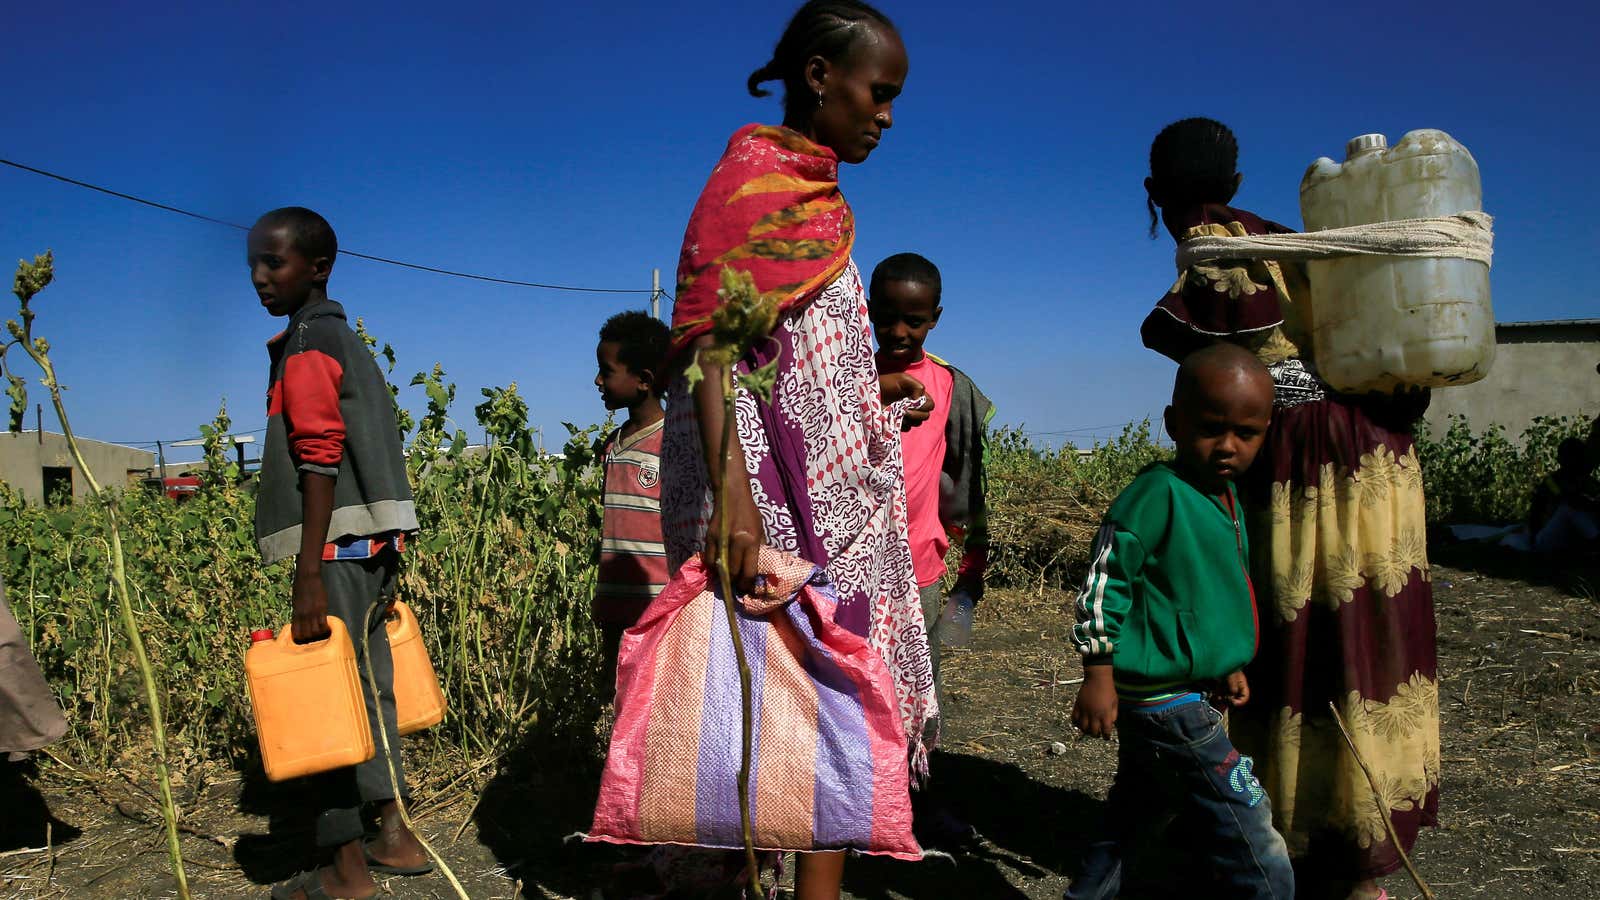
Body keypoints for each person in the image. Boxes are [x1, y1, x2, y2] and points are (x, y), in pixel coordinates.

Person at [658, 2, 930, 896]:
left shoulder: (818, 194)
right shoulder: (751, 185)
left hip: (838, 506)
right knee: (772, 710)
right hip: (766, 505)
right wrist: (734, 506)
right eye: (877, 93)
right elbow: (711, 351)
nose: (886, 115)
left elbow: (800, 352)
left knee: (835, 709)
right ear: (819, 76)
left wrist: (869, 394)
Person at [1140, 118, 1438, 900]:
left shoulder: (1213, 242)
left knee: (1303, 639)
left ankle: (1320, 852)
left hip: (1312, 464)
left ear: (1153, 194)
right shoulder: (1291, 242)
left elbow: (1210, 367)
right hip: (1379, 454)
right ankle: (1366, 848)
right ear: (1238, 182)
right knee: (1373, 638)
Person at [249, 207, 430, 900]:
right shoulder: (342, 339)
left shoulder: (308, 345)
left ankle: (344, 868)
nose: (262, 278)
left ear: (317, 267)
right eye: (255, 266)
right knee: (368, 690)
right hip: (369, 550)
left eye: (275, 263)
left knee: (324, 700)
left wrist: (307, 573)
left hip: (331, 556)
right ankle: (393, 833)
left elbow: (318, 458)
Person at [1067, 343, 1292, 900]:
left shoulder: (1225, 496)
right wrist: (1098, 673)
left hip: (1187, 689)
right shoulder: (1156, 494)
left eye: (1247, 433)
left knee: (1135, 814)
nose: (1227, 446)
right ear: (1173, 422)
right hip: (1167, 703)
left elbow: (1200, 596)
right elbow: (1103, 583)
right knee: (1250, 828)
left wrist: (1226, 662)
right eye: (1211, 428)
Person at [868, 252, 993, 846]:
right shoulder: (843, 379)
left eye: (913, 321)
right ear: (865, 308)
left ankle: (920, 805)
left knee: (922, 695)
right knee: (852, 691)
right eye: (886, 316)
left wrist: (970, 571)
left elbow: (966, 487)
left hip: (921, 569)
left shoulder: (950, 387)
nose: (898, 332)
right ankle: (855, 808)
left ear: (935, 319)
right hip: (849, 569)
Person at [592, 310, 671, 698]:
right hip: (614, 608)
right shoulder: (612, 445)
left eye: (606, 371)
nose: (598, 380)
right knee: (622, 702)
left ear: (644, 381)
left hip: (658, 609)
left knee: (657, 703)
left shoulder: (672, 445)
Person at [1528, 437, 1600, 553]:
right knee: (1568, 508)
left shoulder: (1585, 480)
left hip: (1569, 540)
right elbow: (1568, 501)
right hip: (1546, 540)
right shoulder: (1551, 482)